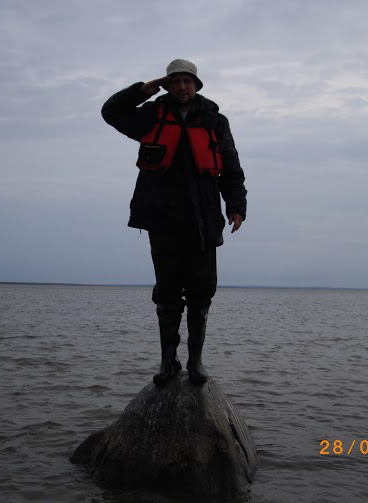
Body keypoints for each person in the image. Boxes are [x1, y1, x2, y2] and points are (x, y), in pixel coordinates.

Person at [101, 59, 247, 386]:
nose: (182, 87)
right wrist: (142, 90)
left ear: (196, 85)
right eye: (175, 81)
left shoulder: (215, 120)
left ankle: (195, 361)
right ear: (167, 85)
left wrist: (237, 206)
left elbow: (231, 167)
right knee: (167, 293)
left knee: (201, 292)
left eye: (187, 81)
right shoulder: (151, 114)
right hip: (162, 218)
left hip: (203, 220)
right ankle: (168, 361)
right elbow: (111, 112)